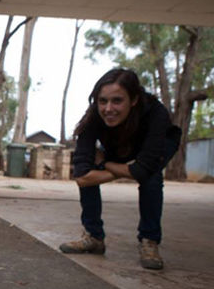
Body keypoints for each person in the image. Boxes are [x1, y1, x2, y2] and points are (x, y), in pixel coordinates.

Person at [59, 68, 181, 270]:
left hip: (156, 146)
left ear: (134, 100)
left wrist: (106, 165)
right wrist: (126, 169)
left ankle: (149, 240)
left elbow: (143, 170)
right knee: (90, 174)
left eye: (117, 101)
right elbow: (81, 176)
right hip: (119, 147)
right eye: (102, 101)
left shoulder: (156, 113)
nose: (108, 108)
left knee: (151, 178)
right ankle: (94, 236)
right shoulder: (93, 118)